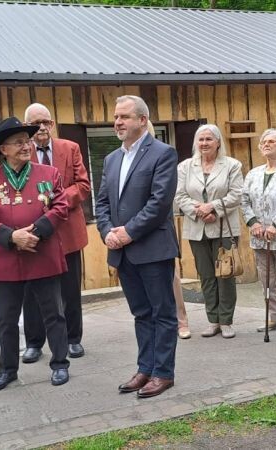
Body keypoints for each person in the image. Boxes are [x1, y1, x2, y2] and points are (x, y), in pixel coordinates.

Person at [0, 117, 72, 391]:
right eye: (18, 142)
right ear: (3, 149)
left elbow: (60, 207)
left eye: (27, 140)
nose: (26, 146)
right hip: (8, 259)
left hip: (43, 254)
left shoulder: (49, 173)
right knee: (7, 319)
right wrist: (12, 237)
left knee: (54, 314)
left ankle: (60, 364)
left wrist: (37, 232)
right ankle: (8, 370)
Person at [96, 95, 179, 399]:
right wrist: (107, 232)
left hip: (152, 249)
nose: (118, 122)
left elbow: (159, 203)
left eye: (124, 117)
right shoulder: (111, 159)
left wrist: (128, 232)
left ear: (142, 120)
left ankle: (163, 373)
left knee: (163, 313)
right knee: (141, 313)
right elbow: (102, 202)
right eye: (116, 117)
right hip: (122, 251)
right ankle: (145, 368)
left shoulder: (163, 154)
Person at [20, 103, 92, 363]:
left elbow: (83, 185)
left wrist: (58, 198)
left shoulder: (69, 148)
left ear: (52, 124)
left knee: (70, 289)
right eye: (35, 123)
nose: (42, 127)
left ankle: (74, 339)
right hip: (34, 232)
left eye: (46, 122)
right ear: (27, 126)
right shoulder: (20, 151)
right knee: (32, 291)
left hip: (68, 232)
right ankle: (34, 343)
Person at [174, 124, 244, 338]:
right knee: (206, 276)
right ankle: (212, 320)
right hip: (197, 229)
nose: (204, 143)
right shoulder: (185, 167)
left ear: (218, 142)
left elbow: (237, 194)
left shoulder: (232, 165)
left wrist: (213, 207)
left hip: (224, 228)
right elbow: (179, 196)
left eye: (208, 139)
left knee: (225, 274)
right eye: (200, 139)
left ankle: (226, 321)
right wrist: (200, 212)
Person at [242, 129, 276, 333]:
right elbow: (244, 200)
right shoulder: (253, 173)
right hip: (259, 237)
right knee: (267, 280)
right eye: (264, 141)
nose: (266, 144)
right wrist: (253, 223)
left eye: (272, 141)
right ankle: (272, 316)